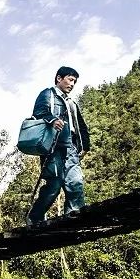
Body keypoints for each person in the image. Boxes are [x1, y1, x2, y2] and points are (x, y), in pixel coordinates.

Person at [27, 66, 90, 226]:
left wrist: (85, 146)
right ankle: (35, 217)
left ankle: (74, 217)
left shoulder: (72, 103)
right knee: (54, 184)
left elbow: (81, 126)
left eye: (75, 81)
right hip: (53, 147)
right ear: (59, 78)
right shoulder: (48, 94)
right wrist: (52, 120)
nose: (73, 84)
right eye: (70, 79)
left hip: (71, 147)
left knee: (75, 182)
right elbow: (38, 113)